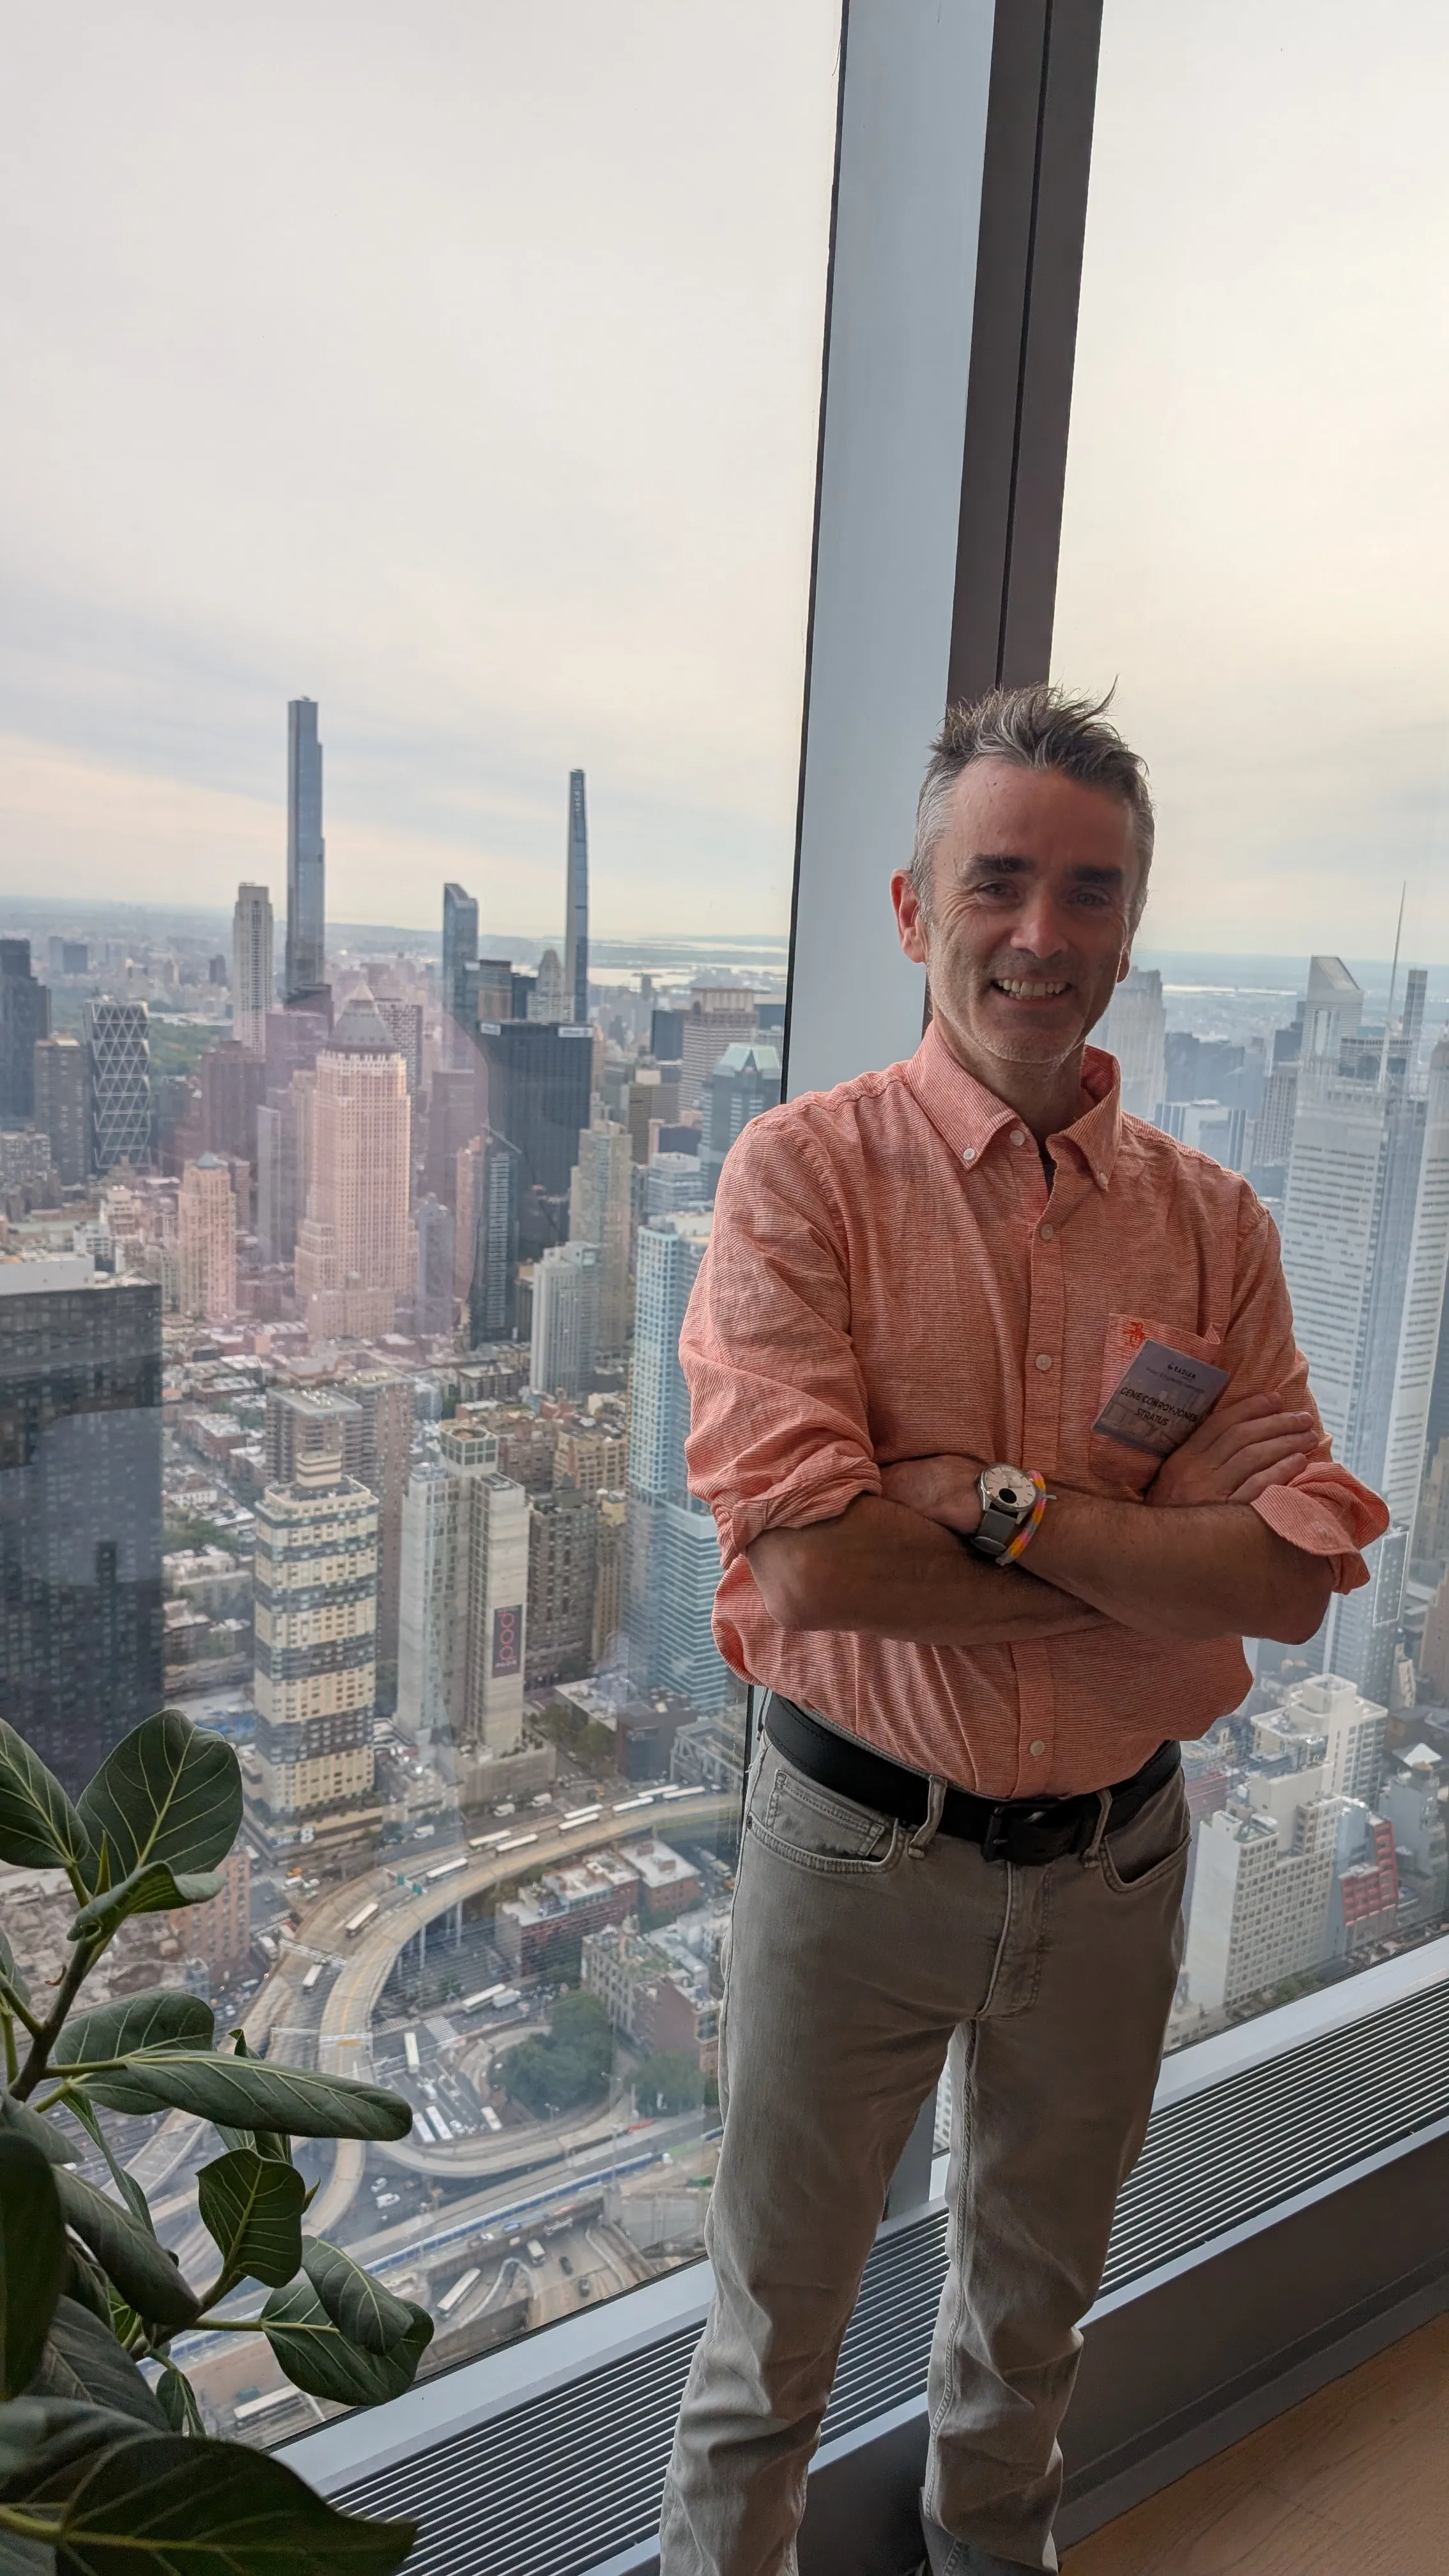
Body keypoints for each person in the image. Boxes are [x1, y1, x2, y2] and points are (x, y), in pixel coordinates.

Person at [657, 686, 1388, 2576]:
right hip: (852, 1854)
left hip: (1112, 1863)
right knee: (766, 2364)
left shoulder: (1211, 1223)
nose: (1043, 939)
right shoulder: (801, 1180)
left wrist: (996, 1508)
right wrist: (1150, 1540)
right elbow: (810, 1567)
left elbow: (1294, 1572)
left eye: (1089, 893)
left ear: (1130, 927)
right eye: (1000, 884)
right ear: (915, 911)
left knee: (1026, 2344)